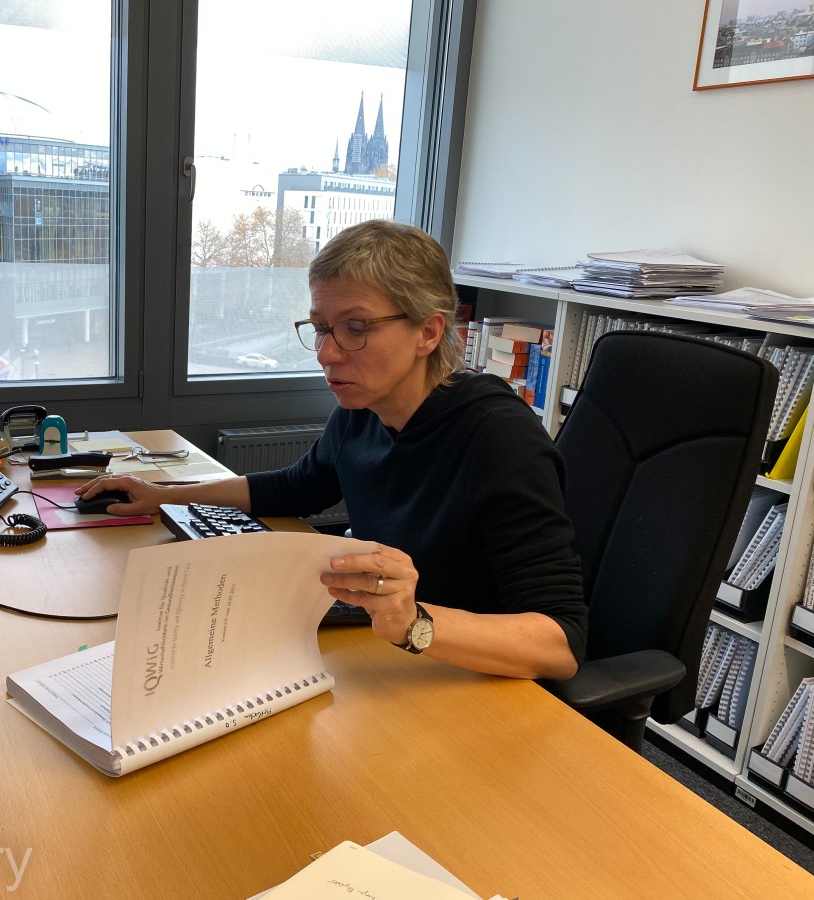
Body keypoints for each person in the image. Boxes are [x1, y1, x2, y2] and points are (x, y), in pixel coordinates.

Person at [78, 219, 586, 681]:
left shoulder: (499, 439)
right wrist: (163, 495)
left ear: (429, 332)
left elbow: (560, 644)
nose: (326, 353)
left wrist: (414, 623)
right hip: (384, 655)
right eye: (322, 327)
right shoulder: (361, 411)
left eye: (356, 328)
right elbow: (296, 488)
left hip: (463, 679)